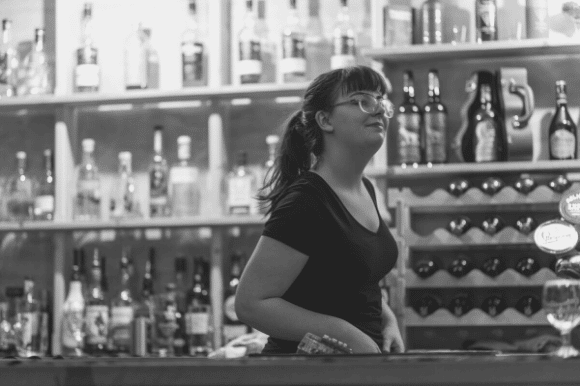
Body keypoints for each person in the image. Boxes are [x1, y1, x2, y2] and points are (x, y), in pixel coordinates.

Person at [235, 65, 404, 354]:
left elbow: (356, 282)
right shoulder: (307, 201)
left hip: (356, 371)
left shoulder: (367, 190)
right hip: (304, 375)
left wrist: (388, 321)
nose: (377, 110)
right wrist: (344, 333)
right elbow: (251, 304)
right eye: (362, 100)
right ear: (325, 120)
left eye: (380, 102)